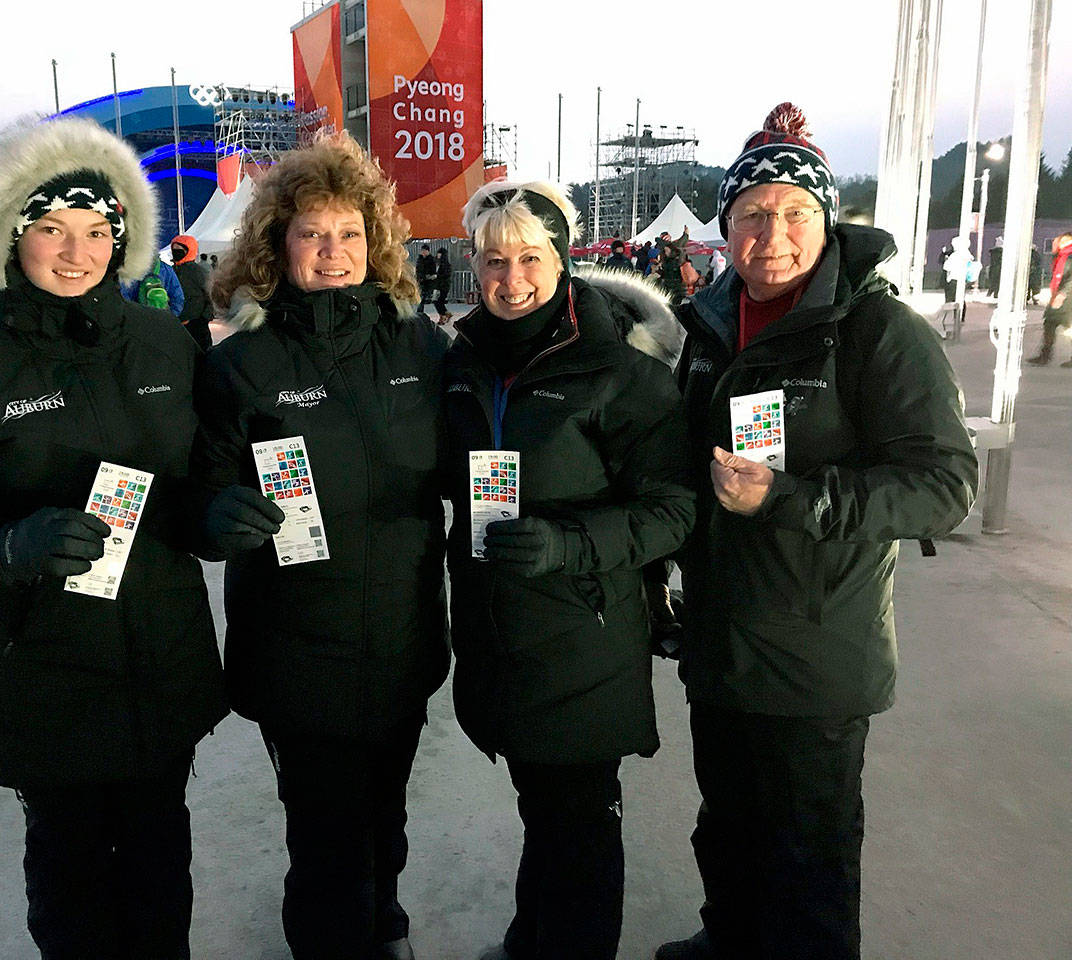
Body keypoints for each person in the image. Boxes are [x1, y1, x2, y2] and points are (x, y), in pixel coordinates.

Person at [0, 117, 228, 960]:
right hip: (43, 675)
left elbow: (190, 483)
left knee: (159, 868)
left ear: (123, 238)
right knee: (72, 882)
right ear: (10, 236)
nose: (77, 252)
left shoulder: (165, 346)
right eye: (51, 229)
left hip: (160, 657)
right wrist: (11, 546)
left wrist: (215, 518)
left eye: (97, 231)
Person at [656, 103, 977, 960]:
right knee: (726, 827)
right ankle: (729, 939)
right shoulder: (709, 328)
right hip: (720, 638)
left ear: (828, 221)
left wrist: (801, 500)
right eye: (753, 214)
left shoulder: (877, 333)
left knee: (810, 855)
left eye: (796, 213)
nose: (774, 235)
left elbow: (944, 486)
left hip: (816, 649)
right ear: (725, 227)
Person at [198, 132, 449, 960]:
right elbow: (200, 490)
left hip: (404, 638)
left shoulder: (420, 347)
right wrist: (221, 514)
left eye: (347, 232)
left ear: (374, 242)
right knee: (325, 836)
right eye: (311, 233)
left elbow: (480, 456)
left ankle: (388, 925)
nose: (332, 251)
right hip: (299, 654)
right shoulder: (244, 364)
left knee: (388, 814)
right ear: (278, 246)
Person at [443, 180, 695, 960]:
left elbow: (676, 511)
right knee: (542, 806)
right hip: (496, 626)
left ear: (562, 257)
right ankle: (534, 939)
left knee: (579, 821)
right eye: (492, 261)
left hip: (584, 635)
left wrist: (570, 544)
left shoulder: (622, 370)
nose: (510, 280)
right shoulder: (464, 360)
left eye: (529, 257)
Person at [1026, 232, 1072, 366]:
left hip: (1067, 299)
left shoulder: (1069, 256)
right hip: (1059, 298)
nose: (1055, 243)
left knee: (1064, 325)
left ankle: (1045, 356)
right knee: (1050, 324)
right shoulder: (1062, 256)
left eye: (1058, 241)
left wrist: (1062, 294)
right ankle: (1045, 355)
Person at [169, 234, 215, 349]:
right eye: (174, 250)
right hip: (176, 324)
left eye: (180, 250)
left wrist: (204, 318)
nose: (176, 252)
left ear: (189, 250)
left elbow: (211, 294)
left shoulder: (198, 271)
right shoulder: (171, 270)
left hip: (196, 324)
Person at [415, 241, 437, 314]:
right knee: (421, 297)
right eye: (422, 251)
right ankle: (420, 311)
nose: (423, 252)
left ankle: (420, 311)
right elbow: (418, 269)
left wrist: (430, 276)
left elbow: (433, 271)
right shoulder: (419, 259)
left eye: (425, 251)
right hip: (421, 280)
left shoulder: (431, 259)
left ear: (428, 251)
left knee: (423, 297)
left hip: (428, 281)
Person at [433, 246, 453, 324]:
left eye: (439, 253)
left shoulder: (446, 265)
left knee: (438, 301)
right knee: (437, 301)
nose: (438, 255)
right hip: (437, 285)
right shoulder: (437, 263)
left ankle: (443, 316)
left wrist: (437, 276)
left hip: (442, 286)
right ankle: (445, 314)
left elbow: (445, 276)